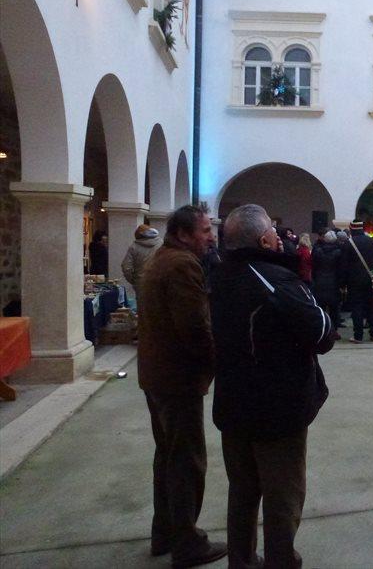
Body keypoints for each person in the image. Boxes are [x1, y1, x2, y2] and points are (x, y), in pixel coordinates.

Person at [210, 204, 336, 568]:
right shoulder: (275, 281)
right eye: (274, 233)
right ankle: (280, 560)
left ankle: (241, 560)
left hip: (233, 404)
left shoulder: (220, 275)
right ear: (264, 240)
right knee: (283, 495)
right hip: (277, 410)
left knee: (243, 491)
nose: (279, 238)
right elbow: (322, 334)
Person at [136, 205, 227, 567]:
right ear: (184, 234)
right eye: (205, 230)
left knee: (168, 457)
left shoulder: (161, 259)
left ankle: (165, 533)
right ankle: (187, 543)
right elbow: (194, 327)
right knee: (187, 461)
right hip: (177, 378)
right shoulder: (182, 265)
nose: (211, 236)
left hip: (157, 374)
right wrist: (219, 365)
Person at [341, 220, 373, 343]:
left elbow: (344, 265)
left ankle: (358, 335)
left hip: (354, 281)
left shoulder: (348, 243)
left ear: (351, 229)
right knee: (371, 306)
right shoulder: (371, 241)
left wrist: (343, 283)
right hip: (371, 278)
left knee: (357, 307)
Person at [312, 230, 343, 328]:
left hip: (319, 281)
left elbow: (313, 266)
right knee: (334, 309)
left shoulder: (317, 251)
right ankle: (333, 329)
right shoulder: (339, 252)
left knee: (321, 308)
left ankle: (322, 328)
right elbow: (341, 269)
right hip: (334, 282)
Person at [121, 224, 162, 295]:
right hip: (158, 281)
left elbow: (126, 267)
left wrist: (133, 280)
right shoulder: (161, 244)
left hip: (140, 282)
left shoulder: (134, 247)